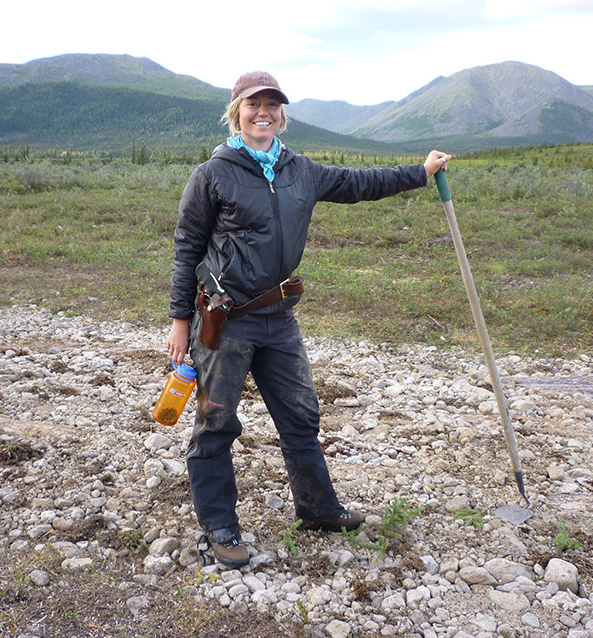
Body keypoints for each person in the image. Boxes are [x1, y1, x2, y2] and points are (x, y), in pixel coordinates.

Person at [166, 70, 450, 568]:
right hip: (224, 322)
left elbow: (363, 183)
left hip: (279, 317)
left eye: (272, 105)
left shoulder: (302, 171)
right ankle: (219, 525)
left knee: (301, 418)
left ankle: (318, 509)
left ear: (282, 115)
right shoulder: (213, 174)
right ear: (237, 112)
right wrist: (179, 320)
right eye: (254, 105)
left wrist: (420, 172)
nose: (263, 113)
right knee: (216, 423)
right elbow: (187, 248)